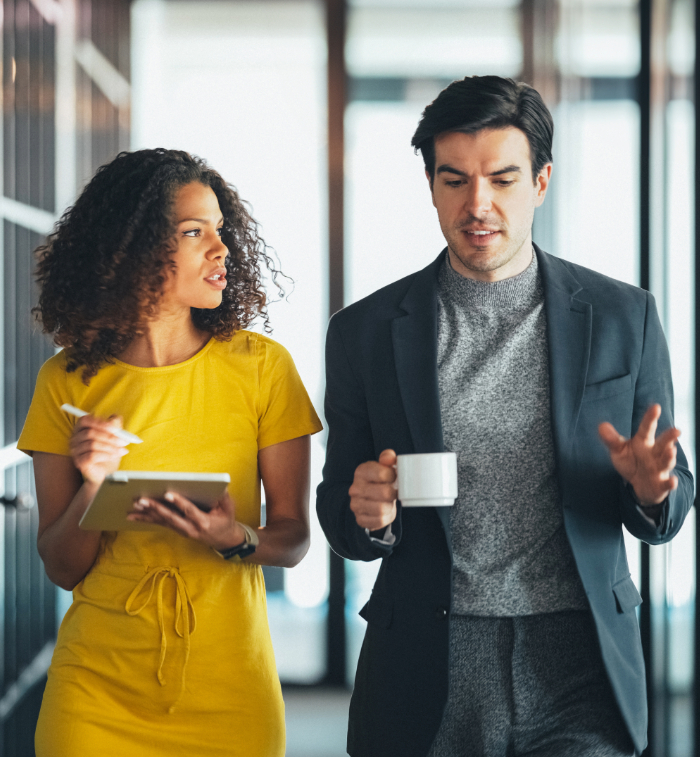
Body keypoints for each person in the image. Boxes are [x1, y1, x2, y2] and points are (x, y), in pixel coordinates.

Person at [316, 76, 694, 757]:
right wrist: (368, 513)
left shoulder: (622, 318)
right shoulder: (364, 333)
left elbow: (671, 497)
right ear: (431, 186)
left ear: (541, 182)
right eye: (454, 179)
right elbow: (340, 513)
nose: (478, 204)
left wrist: (651, 488)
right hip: (430, 661)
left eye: (503, 178)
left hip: (578, 661)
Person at [18, 148, 322, 757]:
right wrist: (94, 487)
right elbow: (61, 566)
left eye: (219, 230)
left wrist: (232, 536)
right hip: (94, 691)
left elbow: (292, 540)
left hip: (229, 682)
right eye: (193, 232)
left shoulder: (262, 368)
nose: (221, 248)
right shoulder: (66, 381)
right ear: (131, 250)